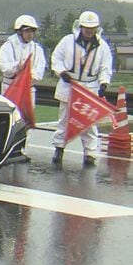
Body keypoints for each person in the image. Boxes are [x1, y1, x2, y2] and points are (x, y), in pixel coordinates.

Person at [50, 10, 113, 166]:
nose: (88, 30)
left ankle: (90, 153)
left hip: (90, 87)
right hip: (69, 84)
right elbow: (56, 58)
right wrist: (61, 72)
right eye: (86, 27)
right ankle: (59, 147)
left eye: (92, 27)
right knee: (64, 120)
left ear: (96, 28)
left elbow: (106, 66)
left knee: (89, 123)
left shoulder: (102, 46)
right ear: (81, 26)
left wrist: (104, 82)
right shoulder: (67, 41)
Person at [0, 15, 47, 162]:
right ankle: (5, 148)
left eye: (32, 31)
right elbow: (3, 66)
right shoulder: (8, 46)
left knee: (25, 119)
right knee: (9, 119)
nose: (30, 34)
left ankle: (22, 149)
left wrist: (28, 74)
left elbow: (39, 70)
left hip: (28, 89)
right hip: (10, 87)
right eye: (27, 31)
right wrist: (16, 68)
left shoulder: (37, 49)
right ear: (19, 31)